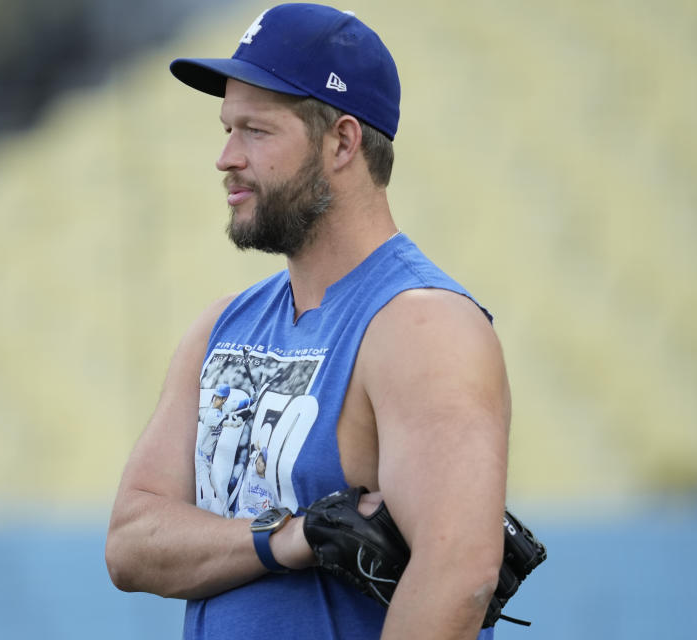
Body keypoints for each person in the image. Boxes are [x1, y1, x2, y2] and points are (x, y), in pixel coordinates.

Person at [106, 4, 510, 640]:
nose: (226, 157)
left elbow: (459, 575)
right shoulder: (222, 326)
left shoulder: (423, 325)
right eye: (226, 129)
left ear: (343, 141)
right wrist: (287, 538)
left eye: (256, 132)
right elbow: (131, 542)